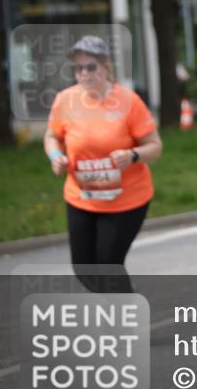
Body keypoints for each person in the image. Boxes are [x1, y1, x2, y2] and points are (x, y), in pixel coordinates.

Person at [44, 36, 162, 293]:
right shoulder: (65, 100)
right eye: (78, 68)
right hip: (81, 198)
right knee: (84, 269)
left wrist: (132, 155)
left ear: (106, 67)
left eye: (90, 67)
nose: (84, 74)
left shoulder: (129, 102)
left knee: (108, 264)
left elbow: (155, 147)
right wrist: (56, 157)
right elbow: (52, 136)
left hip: (126, 200)